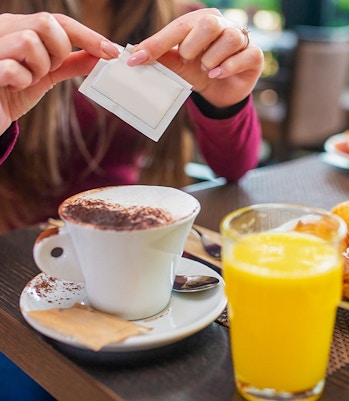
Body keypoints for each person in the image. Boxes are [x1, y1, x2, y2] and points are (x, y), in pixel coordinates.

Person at [0, 2, 263, 400]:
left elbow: (235, 166)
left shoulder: (182, 19)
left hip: (138, 247)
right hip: (13, 266)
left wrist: (225, 100)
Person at [0, 0, 264, 234]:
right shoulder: (9, 30)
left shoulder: (189, 30)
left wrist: (226, 104)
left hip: (134, 237)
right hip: (19, 248)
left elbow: (235, 170)